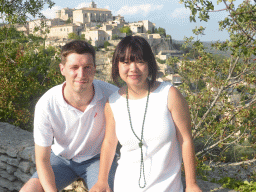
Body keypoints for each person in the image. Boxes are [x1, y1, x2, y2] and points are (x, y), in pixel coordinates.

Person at [90, 36, 202, 192]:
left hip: (167, 187)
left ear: (150, 64)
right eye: (126, 62)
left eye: (140, 61)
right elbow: (109, 143)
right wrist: (102, 181)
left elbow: (186, 140)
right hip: (125, 186)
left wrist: (191, 184)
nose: (133, 69)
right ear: (117, 66)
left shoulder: (169, 95)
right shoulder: (112, 103)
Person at [20, 40, 118, 192]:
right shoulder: (47, 104)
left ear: (95, 69)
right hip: (61, 159)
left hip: (97, 159)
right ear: (62, 69)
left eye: (87, 67)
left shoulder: (111, 95)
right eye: (74, 67)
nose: (82, 74)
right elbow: (42, 159)